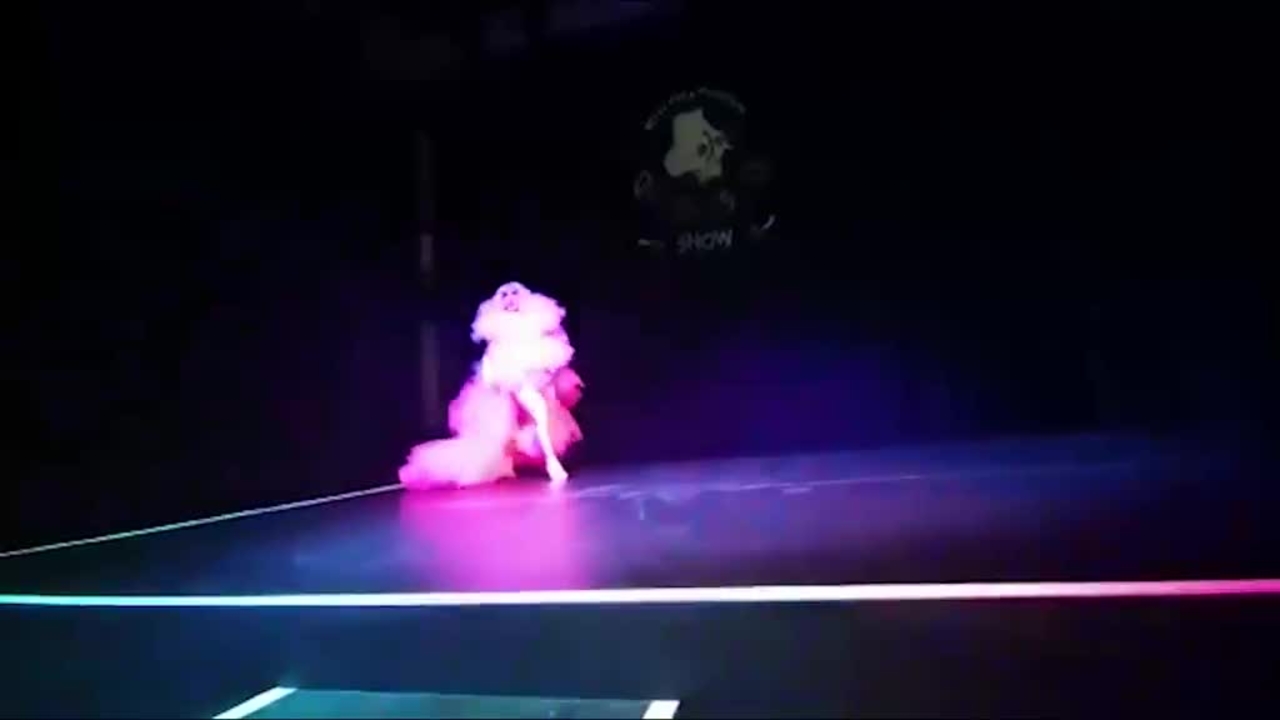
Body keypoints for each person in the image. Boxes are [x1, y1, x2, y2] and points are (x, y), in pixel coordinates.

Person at [399, 282, 583, 489]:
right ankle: (540, 459)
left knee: (540, 413)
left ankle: (550, 460)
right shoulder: (497, 327)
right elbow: (491, 356)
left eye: (514, 294)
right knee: (504, 430)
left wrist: (542, 372)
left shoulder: (534, 322)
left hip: (527, 379)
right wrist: (492, 377)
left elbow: (549, 353)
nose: (510, 299)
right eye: (505, 295)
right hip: (504, 380)